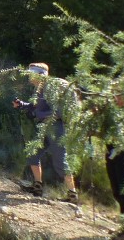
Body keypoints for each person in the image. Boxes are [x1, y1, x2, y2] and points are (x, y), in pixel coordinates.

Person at [13, 62, 78, 201]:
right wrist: (22, 105)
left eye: (31, 73)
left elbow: (57, 112)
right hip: (44, 128)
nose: (29, 76)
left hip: (56, 128)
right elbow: (35, 106)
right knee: (33, 154)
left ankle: (73, 194)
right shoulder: (39, 88)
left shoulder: (52, 88)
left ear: (40, 74)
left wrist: (37, 115)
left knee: (60, 162)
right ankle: (37, 187)